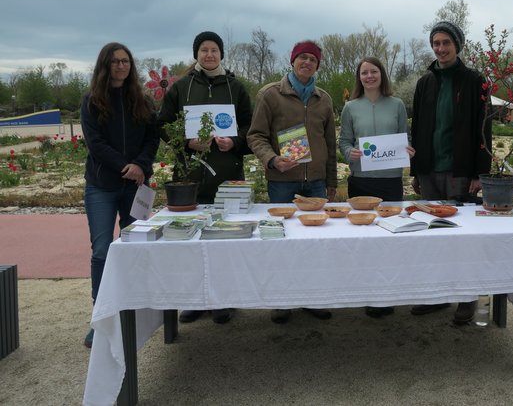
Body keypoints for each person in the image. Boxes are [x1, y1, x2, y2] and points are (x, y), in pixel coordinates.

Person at [158, 30, 253, 325]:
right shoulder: (181, 88)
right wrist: (187, 143)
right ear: (196, 54)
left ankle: (224, 299)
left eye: (214, 50)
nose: (209, 55)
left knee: (226, 240)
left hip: (227, 176)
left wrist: (234, 142)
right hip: (191, 176)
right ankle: (195, 299)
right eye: (204, 50)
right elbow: (163, 124)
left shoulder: (235, 87)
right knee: (191, 239)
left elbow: (251, 129)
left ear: (221, 54)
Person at [247, 40, 337, 324]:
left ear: (317, 65)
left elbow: (330, 144)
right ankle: (281, 299)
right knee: (282, 241)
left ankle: (312, 297)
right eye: (302, 58)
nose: (307, 63)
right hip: (283, 181)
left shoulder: (324, 99)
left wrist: (331, 180)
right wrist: (272, 159)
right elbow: (256, 136)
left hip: (316, 183)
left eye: (313, 59)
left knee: (313, 244)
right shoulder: (270, 95)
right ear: (292, 61)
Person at [409, 21, 492, 325]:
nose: (440, 49)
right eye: (436, 43)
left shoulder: (474, 81)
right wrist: (416, 171)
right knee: (433, 235)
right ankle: (437, 296)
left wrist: (479, 173)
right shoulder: (424, 83)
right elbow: (417, 129)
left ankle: (467, 298)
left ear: (458, 46)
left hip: (460, 170)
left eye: (446, 43)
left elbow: (484, 130)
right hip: (430, 170)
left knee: (462, 237)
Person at [80, 42, 160, 348]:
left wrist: (140, 165)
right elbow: (95, 143)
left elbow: (152, 139)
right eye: (114, 62)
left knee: (135, 247)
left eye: (125, 61)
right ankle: (101, 318)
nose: (121, 66)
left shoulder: (143, 101)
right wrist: (124, 166)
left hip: (136, 188)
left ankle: (132, 311)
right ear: (104, 65)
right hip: (102, 186)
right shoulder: (92, 101)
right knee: (102, 251)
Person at [339, 57, 415, 318]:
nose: (369, 76)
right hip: (361, 181)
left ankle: (387, 295)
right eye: (364, 73)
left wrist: (408, 149)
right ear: (359, 77)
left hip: (391, 181)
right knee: (364, 240)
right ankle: (365, 292)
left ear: (382, 75)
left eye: (373, 71)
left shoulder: (396, 105)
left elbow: (405, 136)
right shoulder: (350, 107)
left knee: (389, 240)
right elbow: (344, 142)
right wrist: (350, 153)